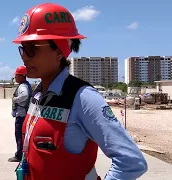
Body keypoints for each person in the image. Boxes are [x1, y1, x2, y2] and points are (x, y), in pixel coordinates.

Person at [12, 3, 147, 180]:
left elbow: (132, 162)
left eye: (32, 48)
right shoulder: (38, 94)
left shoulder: (83, 98)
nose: (24, 56)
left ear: (59, 51)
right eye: (22, 48)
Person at [9, 65, 32, 162]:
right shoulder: (27, 84)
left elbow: (25, 95)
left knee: (19, 136)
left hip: (21, 115)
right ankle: (23, 154)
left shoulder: (23, 86)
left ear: (22, 76)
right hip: (24, 114)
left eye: (17, 76)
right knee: (23, 136)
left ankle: (19, 155)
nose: (15, 77)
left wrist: (16, 99)